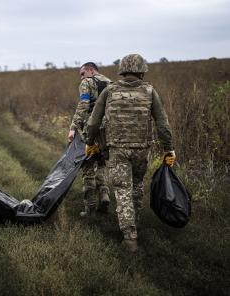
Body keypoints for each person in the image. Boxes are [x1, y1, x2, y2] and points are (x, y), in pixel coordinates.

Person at [84, 54, 176, 252]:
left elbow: (93, 122)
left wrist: (89, 143)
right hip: (142, 150)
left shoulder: (109, 91)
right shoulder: (150, 92)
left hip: (117, 150)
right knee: (136, 186)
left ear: (122, 71)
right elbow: (163, 124)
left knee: (122, 189)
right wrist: (169, 148)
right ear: (142, 71)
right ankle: (134, 224)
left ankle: (129, 236)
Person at [67, 62, 112, 217]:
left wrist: (73, 127)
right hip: (108, 132)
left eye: (82, 73)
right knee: (101, 164)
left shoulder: (87, 83)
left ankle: (90, 208)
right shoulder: (110, 83)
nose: (81, 78)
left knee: (87, 167)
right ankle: (105, 196)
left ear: (91, 70)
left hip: (92, 131)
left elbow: (83, 105)